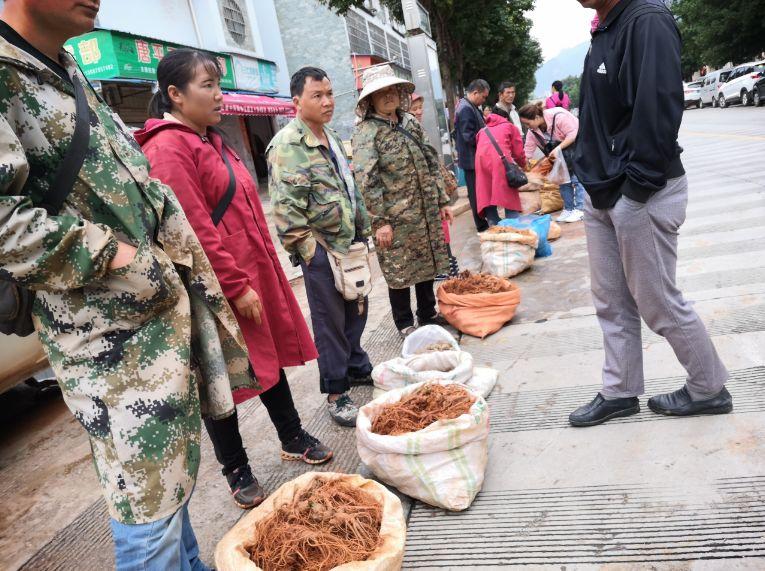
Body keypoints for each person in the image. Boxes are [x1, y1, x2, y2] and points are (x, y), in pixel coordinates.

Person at [0, 1, 256, 568]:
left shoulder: (67, 69)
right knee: (148, 510)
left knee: (171, 486)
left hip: (156, 326)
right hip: (107, 346)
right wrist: (121, 256)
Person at [135, 49, 333, 510]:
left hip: (249, 270)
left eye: (218, 84)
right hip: (214, 288)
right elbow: (194, 230)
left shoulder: (209, 138)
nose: (220, 95)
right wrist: (235, 284)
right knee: (218, 377)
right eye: (208, 86)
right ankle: (236, 467)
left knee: (266, 358)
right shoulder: (168, 148)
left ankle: (291, 434)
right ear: (175, 95)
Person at [568, 0, 731, 426]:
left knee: (657, 299)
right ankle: (620, 390)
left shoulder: (647, 19)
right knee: (611, 301)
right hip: (604, 189)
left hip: (642, 190)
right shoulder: (605, 26)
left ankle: (708, 387)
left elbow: (658, 107)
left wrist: (636, 190)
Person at [267, 67, 373, 428]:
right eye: (318, 96)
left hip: (349, 245)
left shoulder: (329, 136)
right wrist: (311, 254)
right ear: (297, 102)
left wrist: (363, 231)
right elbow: (285, 210)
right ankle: (336, 391)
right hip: (321, 250)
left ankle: (357, 367)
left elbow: (348, 187)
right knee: (329, 322)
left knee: (357, 307)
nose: (327, 102)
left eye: (330, 93)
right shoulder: (287, 146)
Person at [352, 65, 453, 339]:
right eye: (380, 93)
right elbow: (366, 179)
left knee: (426, 264)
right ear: (370, 100)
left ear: (399, 93)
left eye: (391, 91)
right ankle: (404, 322)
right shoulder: (367, 132)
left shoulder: (410, 123)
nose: (387, 97)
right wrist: (380, 221)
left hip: (424, 214)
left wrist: (442, 200)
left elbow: (432, 160)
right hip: (394, 220)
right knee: (399, 271)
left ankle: (427, 313)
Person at [410, 92, 460, 279]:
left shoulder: (420, 130)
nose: (419, 112)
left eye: (420, 108)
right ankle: (445, 270)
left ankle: (447, 269)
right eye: (414, 109)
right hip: (425, 200)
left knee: (443, 231)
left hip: (435, 195)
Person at [519, 102, 586, 223]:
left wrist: (558, 148)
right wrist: (524, 166)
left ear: (537, 117)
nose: (527, 126)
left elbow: (573, 134)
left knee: (577, 178)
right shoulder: (532, 131)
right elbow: (528, 151)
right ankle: (569, 208)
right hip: (559, 154)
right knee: (562, 180)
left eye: (528, 123)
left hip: (575, 146)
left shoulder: (559, 117)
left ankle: (581, 209)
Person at [475, 112, 528, 226]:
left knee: (487, 195)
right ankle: (513, 227)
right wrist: (524, 165)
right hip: (500, 162)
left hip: (481, 165)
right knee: (509, 197)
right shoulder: (510, 127)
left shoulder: (481, 131)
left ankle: (494, 226)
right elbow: (518, 154)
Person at [455, 79, 491, 232]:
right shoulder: (465, 109)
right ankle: (482, 226)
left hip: (474, 158)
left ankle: (485, 222)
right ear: (475, 93)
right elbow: (468, 136)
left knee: (480, 192)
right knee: (476, 194)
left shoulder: (470, 106)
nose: (484, 100)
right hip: (471, 160)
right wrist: (486, 142)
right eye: (483, 97)